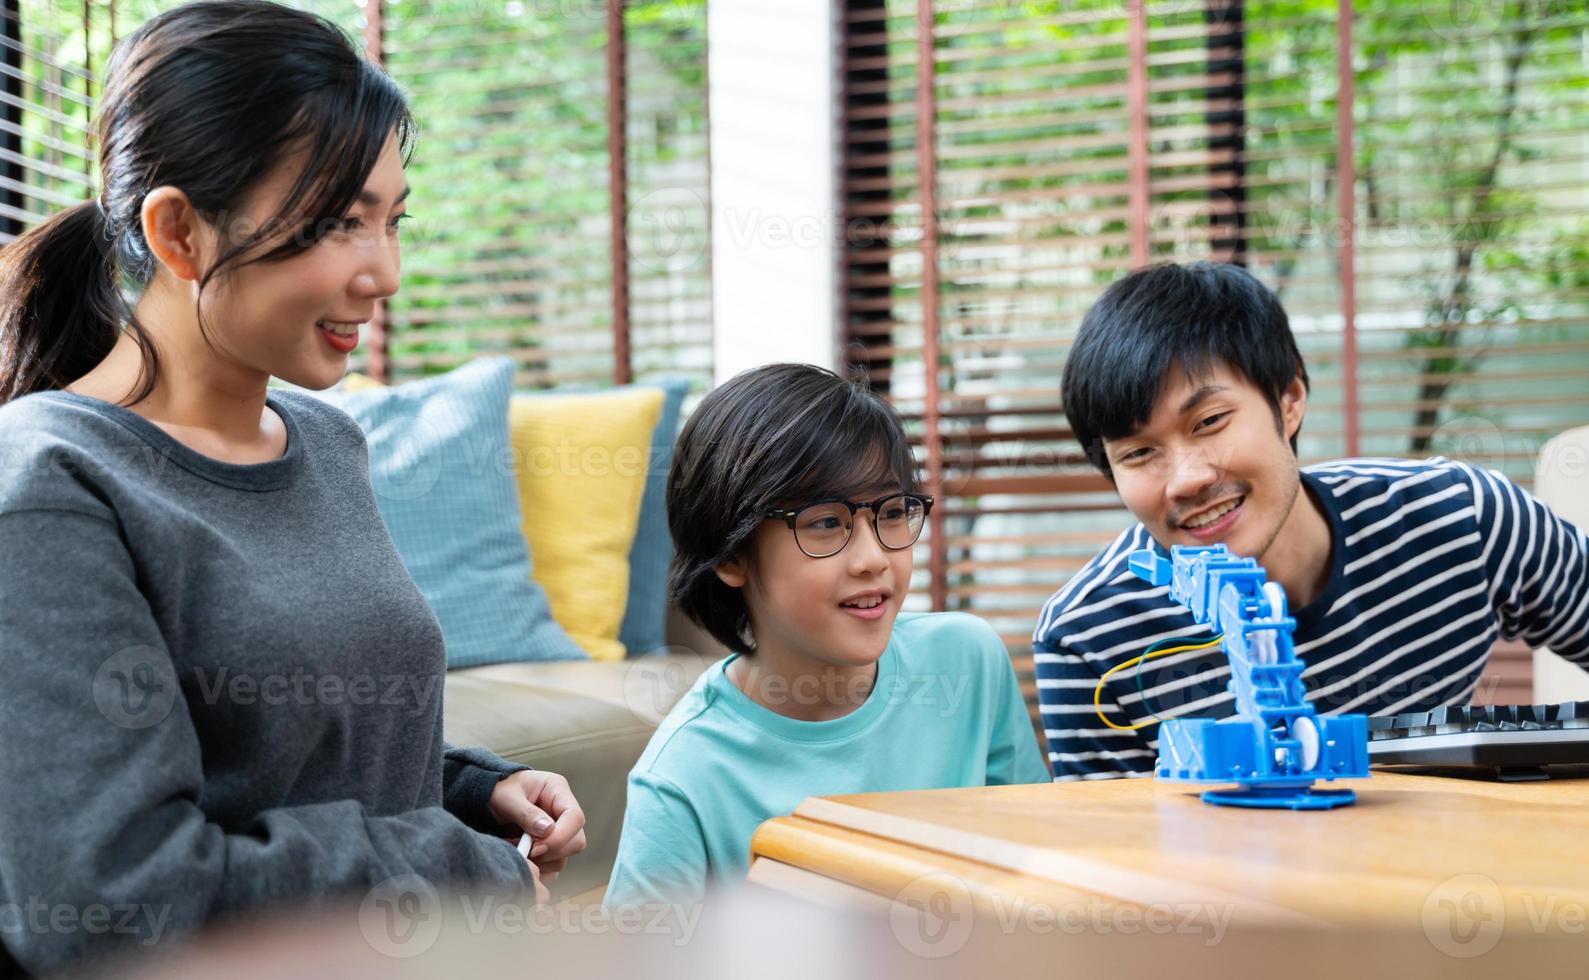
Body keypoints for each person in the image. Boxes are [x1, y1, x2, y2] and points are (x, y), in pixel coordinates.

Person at [0, 3, 583, 975]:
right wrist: (452, 869)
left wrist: (472, 790)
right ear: (178, 230)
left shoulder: (323, 439)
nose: (384, 271)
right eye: (336, 223)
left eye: (392, 220)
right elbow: (111, 904)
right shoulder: (51, 488)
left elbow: (287, 741)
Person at [1032, 261, 1589, 781]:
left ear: (1289, 398)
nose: (1186, 479)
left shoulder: (1461, 519)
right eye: (1138, 453)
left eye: (1210, 421)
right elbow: (1112, 868)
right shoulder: (1088, 640)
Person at [603, 363, 1049, 908]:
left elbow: (1037, 881)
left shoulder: (967, 662)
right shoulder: (681, 783)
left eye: (889, 513)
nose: (873, 559)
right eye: (825, 522)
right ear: (731, 554)